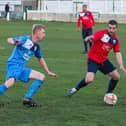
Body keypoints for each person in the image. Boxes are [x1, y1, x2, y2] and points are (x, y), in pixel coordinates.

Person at [0, 24, 57, 107]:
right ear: (37, 32)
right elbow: (9, 39)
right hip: (14, 64)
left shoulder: (36, 47)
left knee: (41, 76)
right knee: (10, 83)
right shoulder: (25, 39)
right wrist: (13, 42)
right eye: (43, 32)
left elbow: (40, 58)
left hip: (21, 68)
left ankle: (27, 98)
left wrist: (48, 71)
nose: (44, 35)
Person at [67, 20, 126, 97]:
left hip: (103, 60)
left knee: (116, 77)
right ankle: (74, 89)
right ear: (107, 27)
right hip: (93, 60)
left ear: (116, 29)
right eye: (110, 28)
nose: (111, 30)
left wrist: (121, 65)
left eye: (113, 28)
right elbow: (93, 37)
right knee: (89, 80)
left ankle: (109, 93)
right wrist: (88, 38)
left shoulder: (115, 40)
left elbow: (117, 53)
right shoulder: (101, 33)